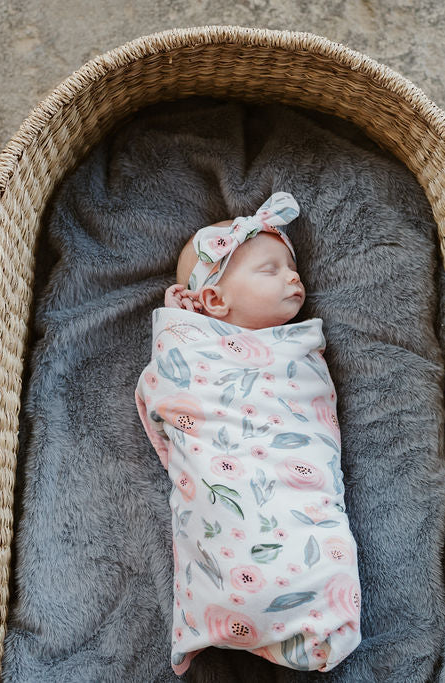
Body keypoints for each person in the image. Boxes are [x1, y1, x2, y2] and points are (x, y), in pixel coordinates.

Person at [135, 192, 362, 675]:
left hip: (299, 494)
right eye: (270, 270)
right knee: (221, 506)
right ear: (215, 300)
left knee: (313, 526)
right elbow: (172, 400)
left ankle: (309, 609)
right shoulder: (194, 360)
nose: (293, 276)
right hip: (227, 491)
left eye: (290, 266)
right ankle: (238, 611)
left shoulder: (295, 351)